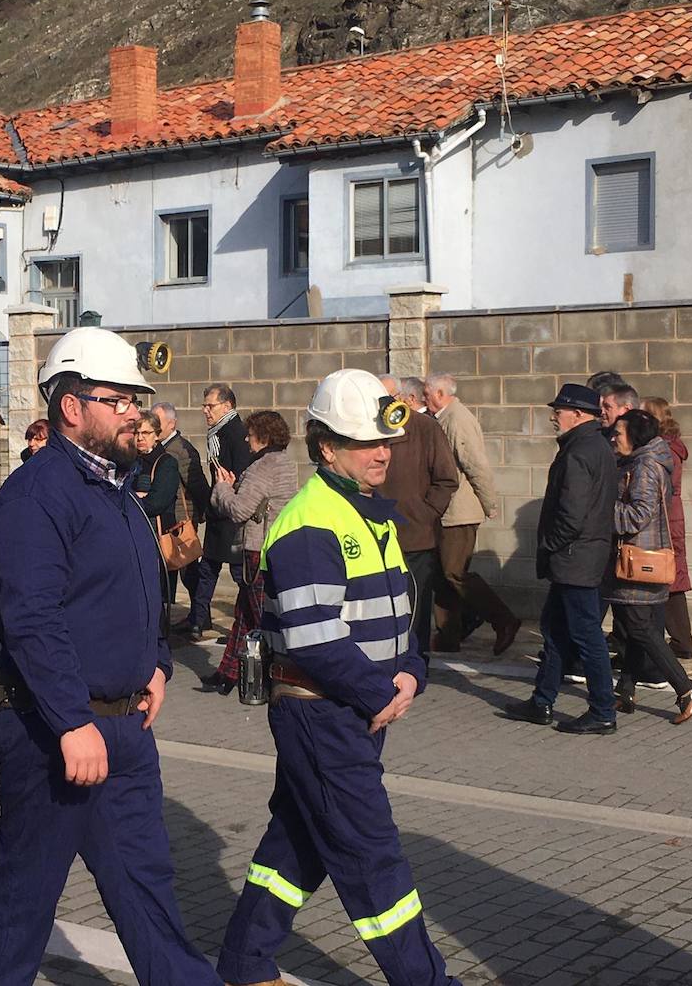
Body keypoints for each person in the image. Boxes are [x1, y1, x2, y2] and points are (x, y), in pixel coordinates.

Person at [0, 326, 219, 986]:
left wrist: (157, 662)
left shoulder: (117, 489)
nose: (132, 412)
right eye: (118, 399)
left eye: (136, 399)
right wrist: (73, 720)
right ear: (71, 405)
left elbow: (133, 591)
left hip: (125, 728)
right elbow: (31, 616)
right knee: (27, 892)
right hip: (55, 732)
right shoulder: (36, 495)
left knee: (147, 885)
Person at [217, 370, 457, 986]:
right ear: (327, 447)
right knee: (372, 856)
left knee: (297, 840)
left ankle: (244, 964)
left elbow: (399, 610)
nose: (382, 452)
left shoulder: (369, 513)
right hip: (323, 711)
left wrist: (411, 672)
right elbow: (314, 639)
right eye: (364, 441)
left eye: (385, 440)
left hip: (353, 709)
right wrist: (384, 690)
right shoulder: (308, 523)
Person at [504, 384, 619, 735]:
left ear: (580, 415)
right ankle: (542, 702)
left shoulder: (580, 452)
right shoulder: (592, 446)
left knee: (586, 635)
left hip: (576, 559)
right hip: (579, 557)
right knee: (554, 630)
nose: (554, 416)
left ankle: (602, 710)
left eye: (560, 410)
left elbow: (572, 513)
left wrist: (552, 545)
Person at [607, 410, 692, 724]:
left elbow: (638, 515)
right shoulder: (642, 462)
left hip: (639, 560)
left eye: (619, 434)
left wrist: (600, 510)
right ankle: (625, 690)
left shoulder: (645, 466)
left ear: (635, 437)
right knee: (635, 627)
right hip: (642, 558)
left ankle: (686, 688)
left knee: (639, 627)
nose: (613, 438)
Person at [199, 410, 297, 696]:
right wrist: (234, 486)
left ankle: (280, 676)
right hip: (273, 546)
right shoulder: (285, 463)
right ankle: (228, 673)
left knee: (260, 618)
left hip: (257, 549)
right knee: (243, 616)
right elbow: (256, 499)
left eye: (251, 435)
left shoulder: (263, 466)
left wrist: (222, 488)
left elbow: (240, 509)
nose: (246, 439)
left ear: (263, 437)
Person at [424, 373, 522, 656]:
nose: (425, 401)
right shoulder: (444, 418)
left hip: (460, 512)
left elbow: (476, 464)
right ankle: (448, 637)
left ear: (440, 393)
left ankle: (503, 619)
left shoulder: (457, 420)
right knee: (442, 576)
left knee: (454, 572)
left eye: (428, 395)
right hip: (446, 511)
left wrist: (489, 503)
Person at [376, 390, 458, 663]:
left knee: (417, 604)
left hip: (416, 536)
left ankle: (415, 662)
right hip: (374, 535)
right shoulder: (368, 427)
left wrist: (426, 513)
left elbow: (447, 478)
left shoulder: (425, 428)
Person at [179, 383, 252, 640]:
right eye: (204, 406)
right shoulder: (217, 433)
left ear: (227, 406)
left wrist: (228, 492)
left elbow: (241, 473)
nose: (205, 411)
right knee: (208, 569)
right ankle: (198, 621)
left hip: (232, 512)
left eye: (210, 406)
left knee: (238, 575)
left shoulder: (235, 433)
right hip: (218, 510)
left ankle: (249, 627)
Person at [642, 397, 692, 659]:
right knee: (670, 578)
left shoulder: (664, 449)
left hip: (666, 518)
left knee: (667, 578)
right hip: (670, 516)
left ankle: (680, 642)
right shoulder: (671, 446)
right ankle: (678, 641)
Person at [152, 401, 210, 610]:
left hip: (181, 520)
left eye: (158, 422)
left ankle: (200, 617)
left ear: (171, 423)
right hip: (165, 519)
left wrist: (201, 514)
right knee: (168, 567)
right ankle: (170, 612)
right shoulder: (158, 448)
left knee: (187, 567)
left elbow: (198, 485)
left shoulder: (181, 450)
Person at [133, 411, 182, 604]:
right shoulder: (131, 461)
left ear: (157, 434)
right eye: (137, 433)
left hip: (158, 535)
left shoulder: (166, 462)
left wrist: (133, 499)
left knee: (157, 592)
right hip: (137, 532)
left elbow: (157, 502)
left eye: (146, 433)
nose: (140, 438)